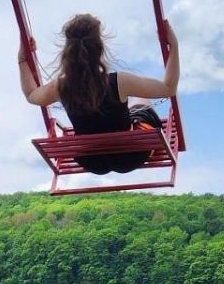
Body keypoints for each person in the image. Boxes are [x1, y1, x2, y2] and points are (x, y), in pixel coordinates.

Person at [17, 14, 179, 175]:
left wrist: (22, 60)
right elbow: (168, 88)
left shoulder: (60, 86)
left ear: (68, 52)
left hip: (91, 162)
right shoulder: (120, 81)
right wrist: (174, 46)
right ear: (100, 49)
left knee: (129, 109)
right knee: (141, 101)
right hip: (130, 157)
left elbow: (31, 95)